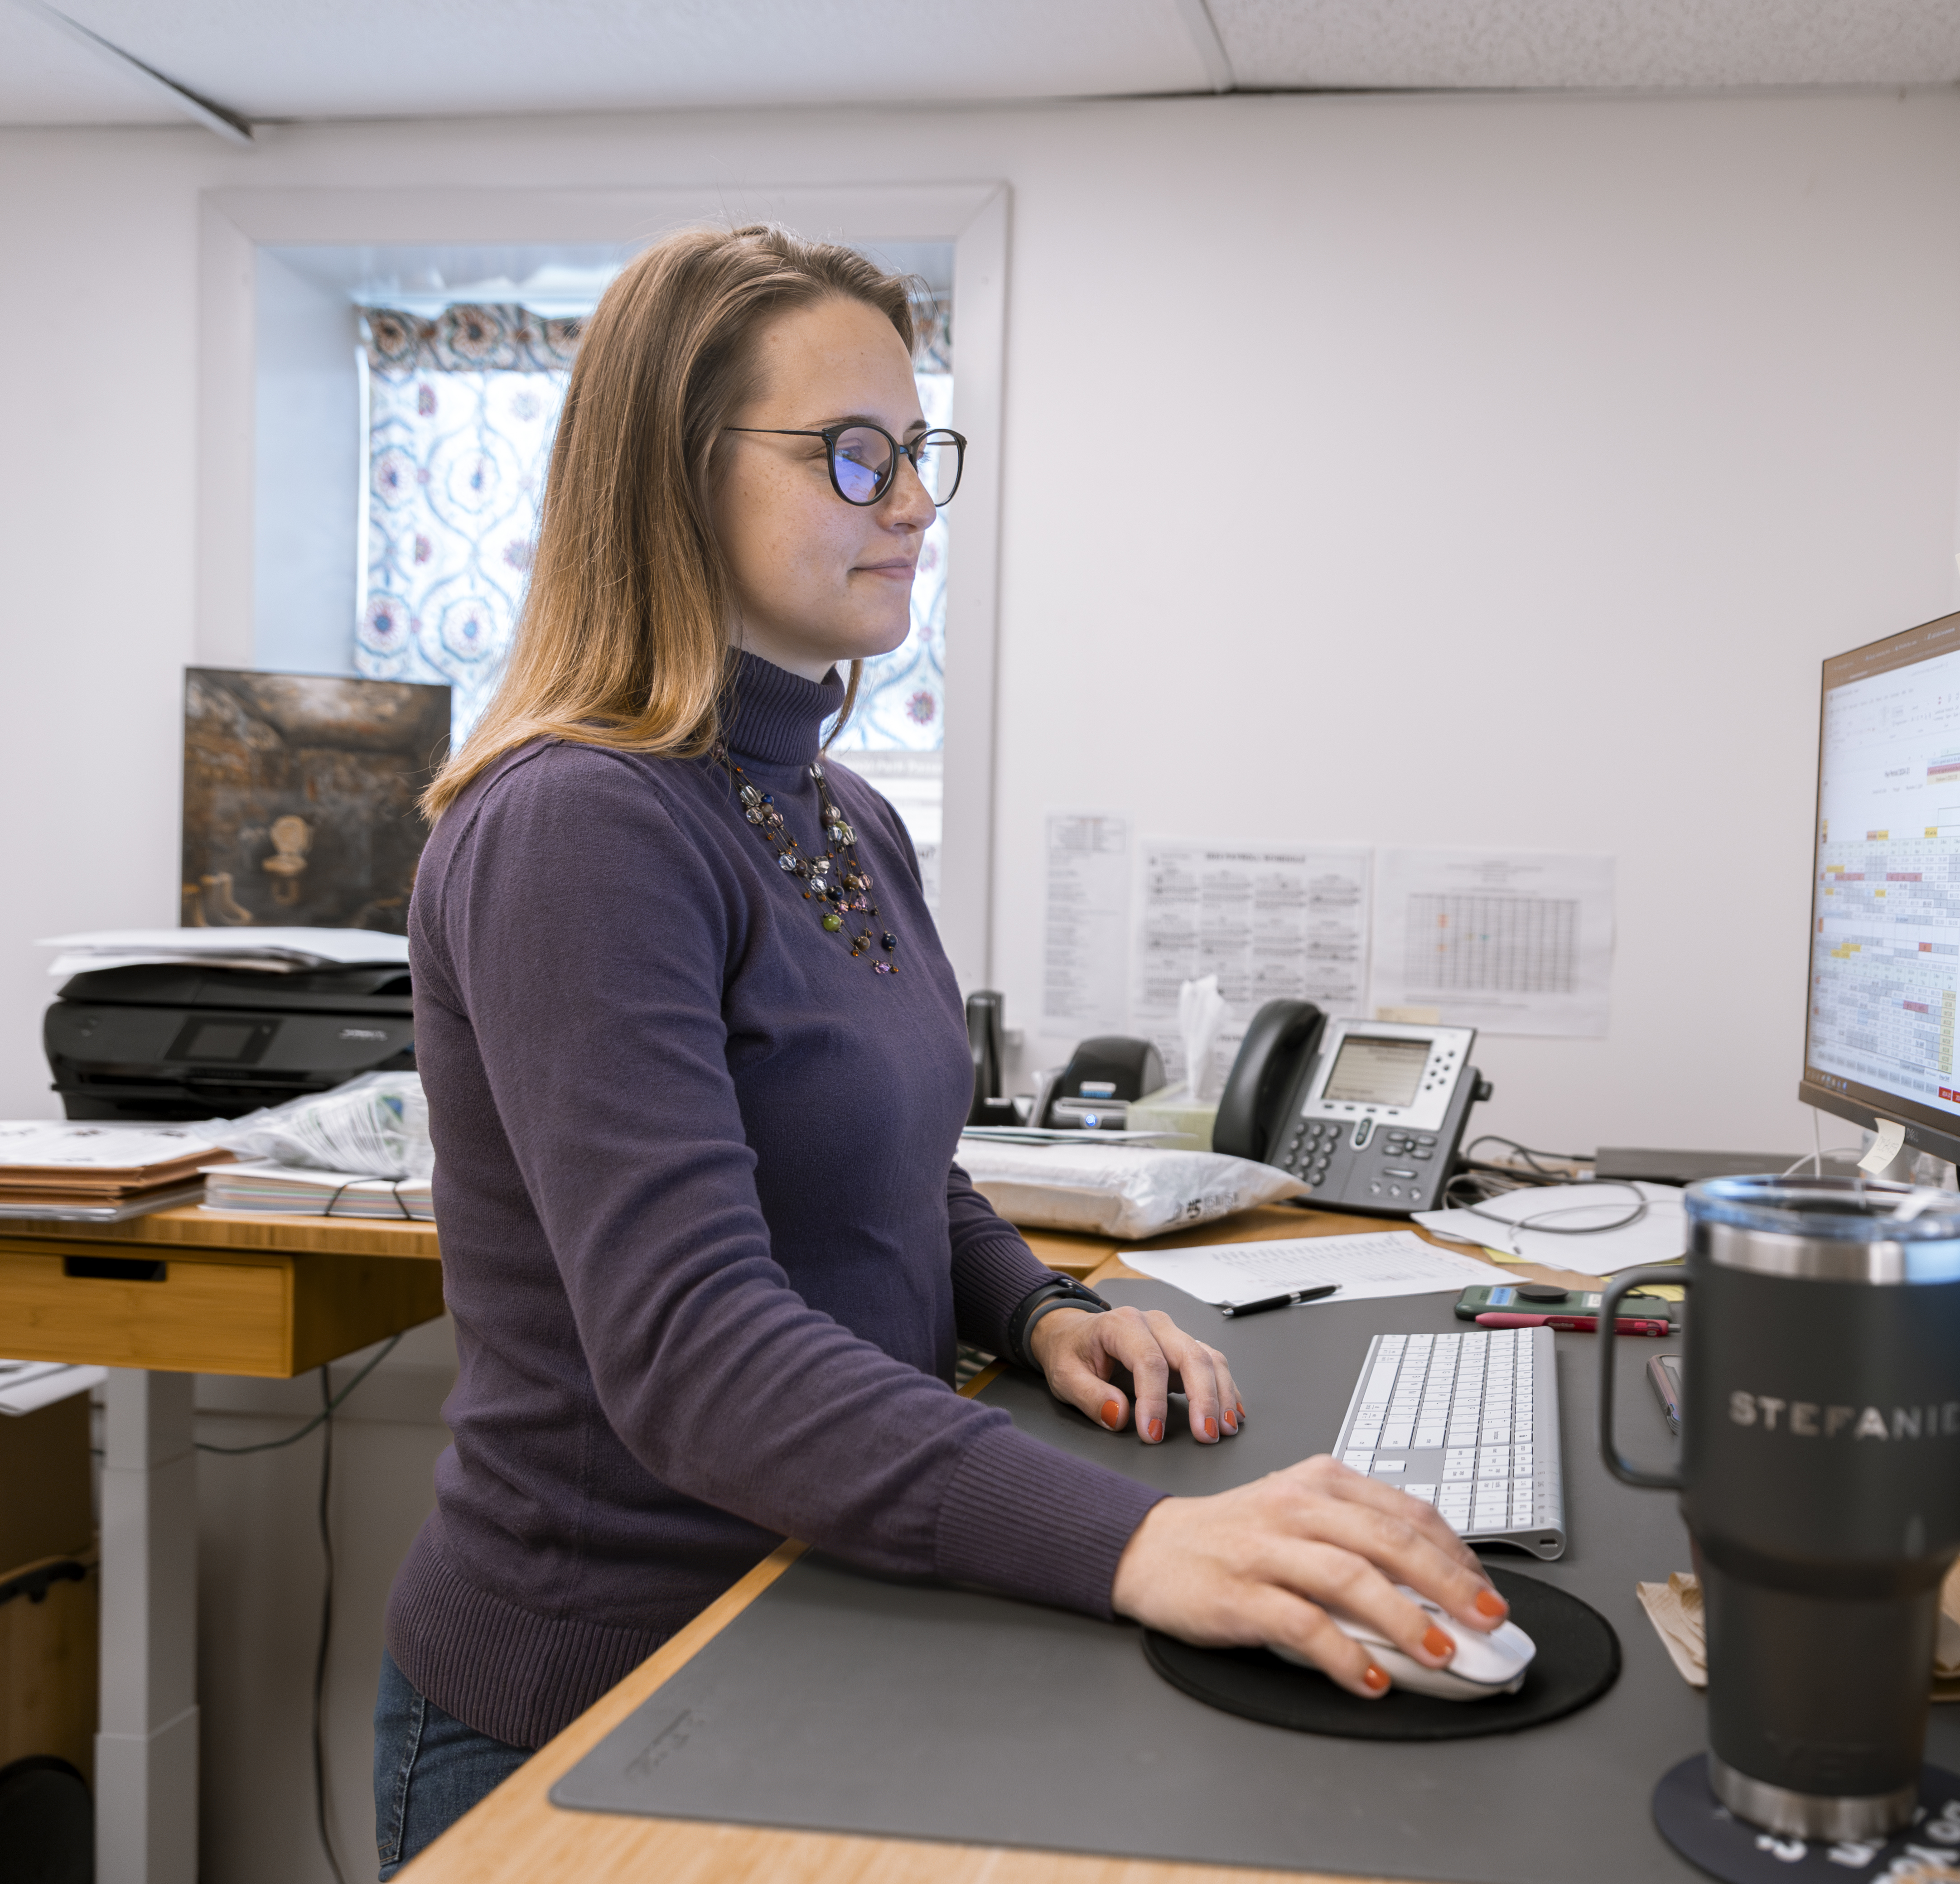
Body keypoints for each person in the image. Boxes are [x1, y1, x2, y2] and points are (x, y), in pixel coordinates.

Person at [373, 224, 1505, 1877]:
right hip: (598, 1693)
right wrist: (1143, 1541)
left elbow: (899, 1167)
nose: (911, 502)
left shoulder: (842, 816)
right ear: (673, 477)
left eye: (918, 454)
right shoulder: (579, 827)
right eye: (853, 455)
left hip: (810, 1604)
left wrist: (1037, 1305)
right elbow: (692, 1345)